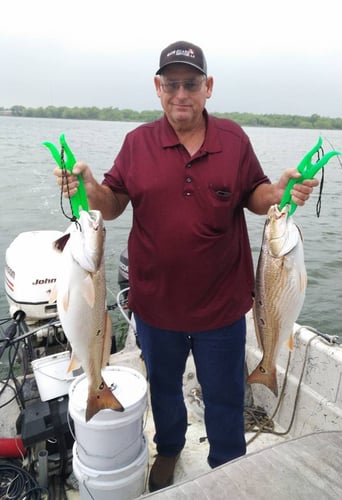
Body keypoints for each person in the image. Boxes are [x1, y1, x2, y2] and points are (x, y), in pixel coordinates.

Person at [54, 41, 318, 492]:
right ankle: (171, 447)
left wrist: (276, 193)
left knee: (225, 396)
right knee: (165, 390)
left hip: (222, 307)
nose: (181, 93)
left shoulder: (233, 139)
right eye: (171, 83)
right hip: (156, 305)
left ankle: (228, 466)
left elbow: (254, 194)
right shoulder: (138, 143)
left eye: (191, 83)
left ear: (208, 87)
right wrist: (89, 188)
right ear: (158, 89)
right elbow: (113, 203)